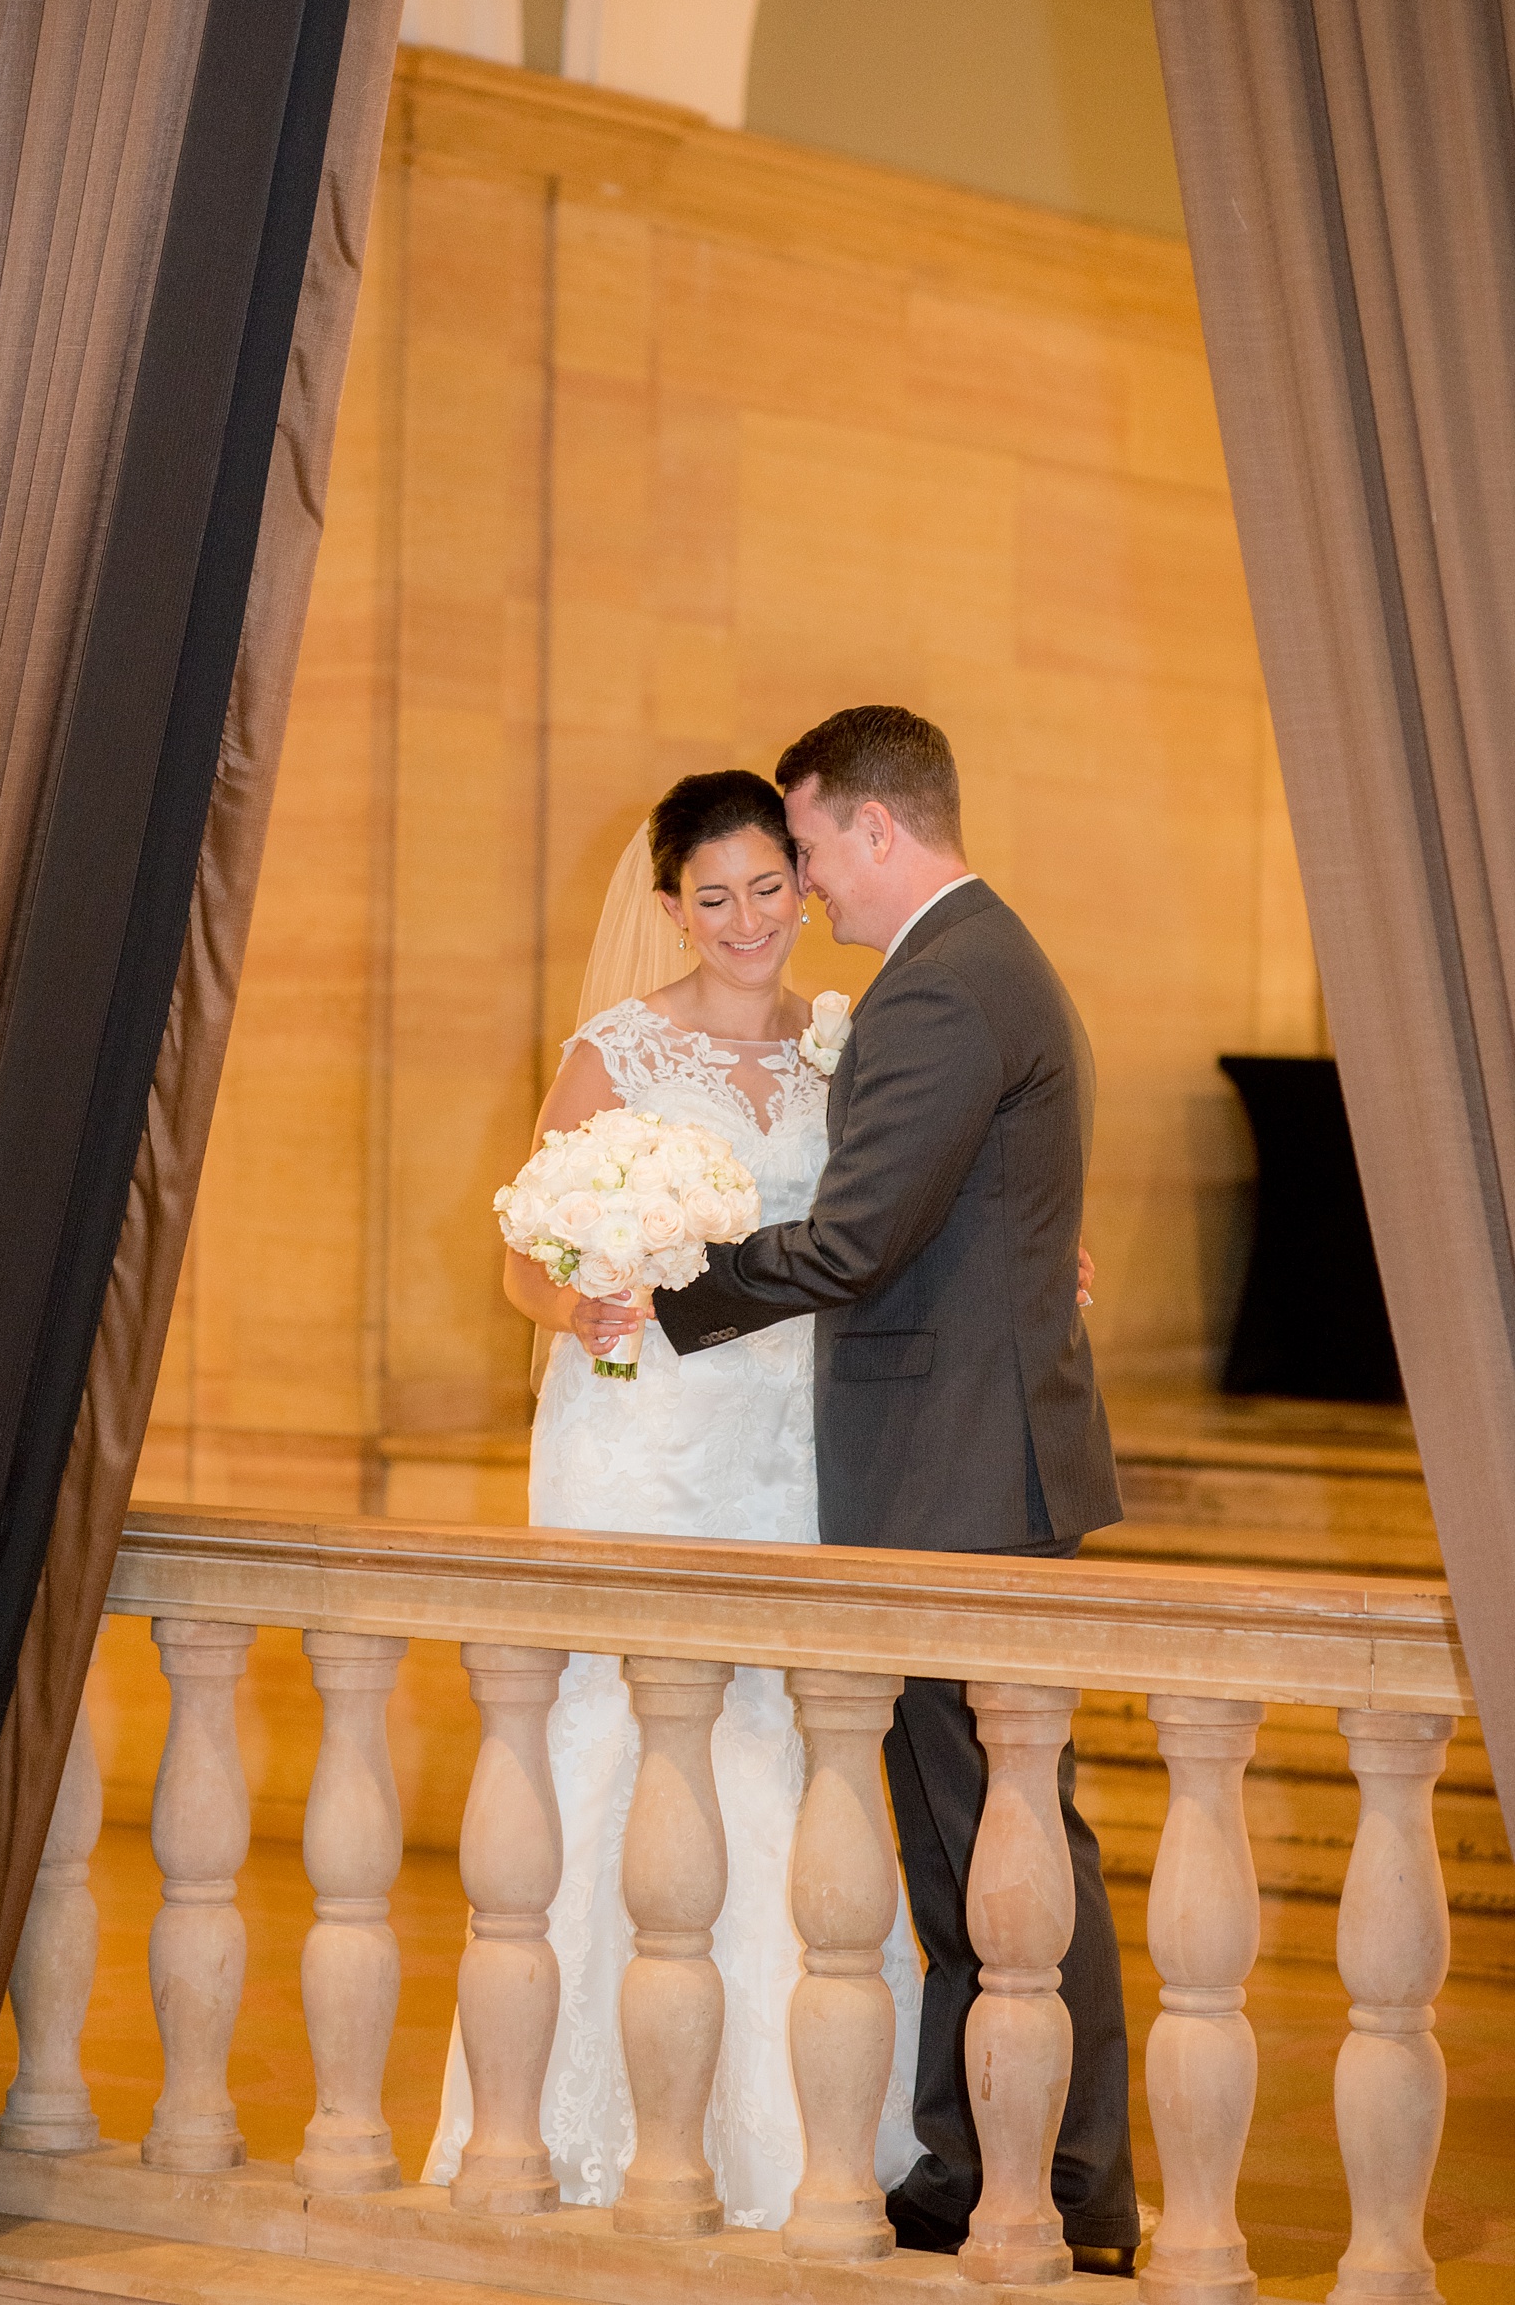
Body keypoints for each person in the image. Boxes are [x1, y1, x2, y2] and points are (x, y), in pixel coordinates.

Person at [652, 706, 1140, 2274]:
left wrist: (669, 1287)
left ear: (875, 827)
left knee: (1005, 1857)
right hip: (958, 1466)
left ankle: (1062, 2184)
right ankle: (975, 2158)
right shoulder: (964, 968)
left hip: (962, 1483)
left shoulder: (941, 985)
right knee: (967, 1855)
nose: (801, 889)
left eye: (803, 851)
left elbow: (857, 1238)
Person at [424, 767, 924, 2226]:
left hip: (784, 1447)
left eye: (771, 885)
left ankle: (794, 2126)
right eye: (714, 896)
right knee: (611, 1738)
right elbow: (525, 1245)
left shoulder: (845, 1050)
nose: (749, 917)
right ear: (668, 909)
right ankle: (566, 2110)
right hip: (639, 1440)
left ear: (801, 882)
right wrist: (568, 1303)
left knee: (778, 1739)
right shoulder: (618, 1050)